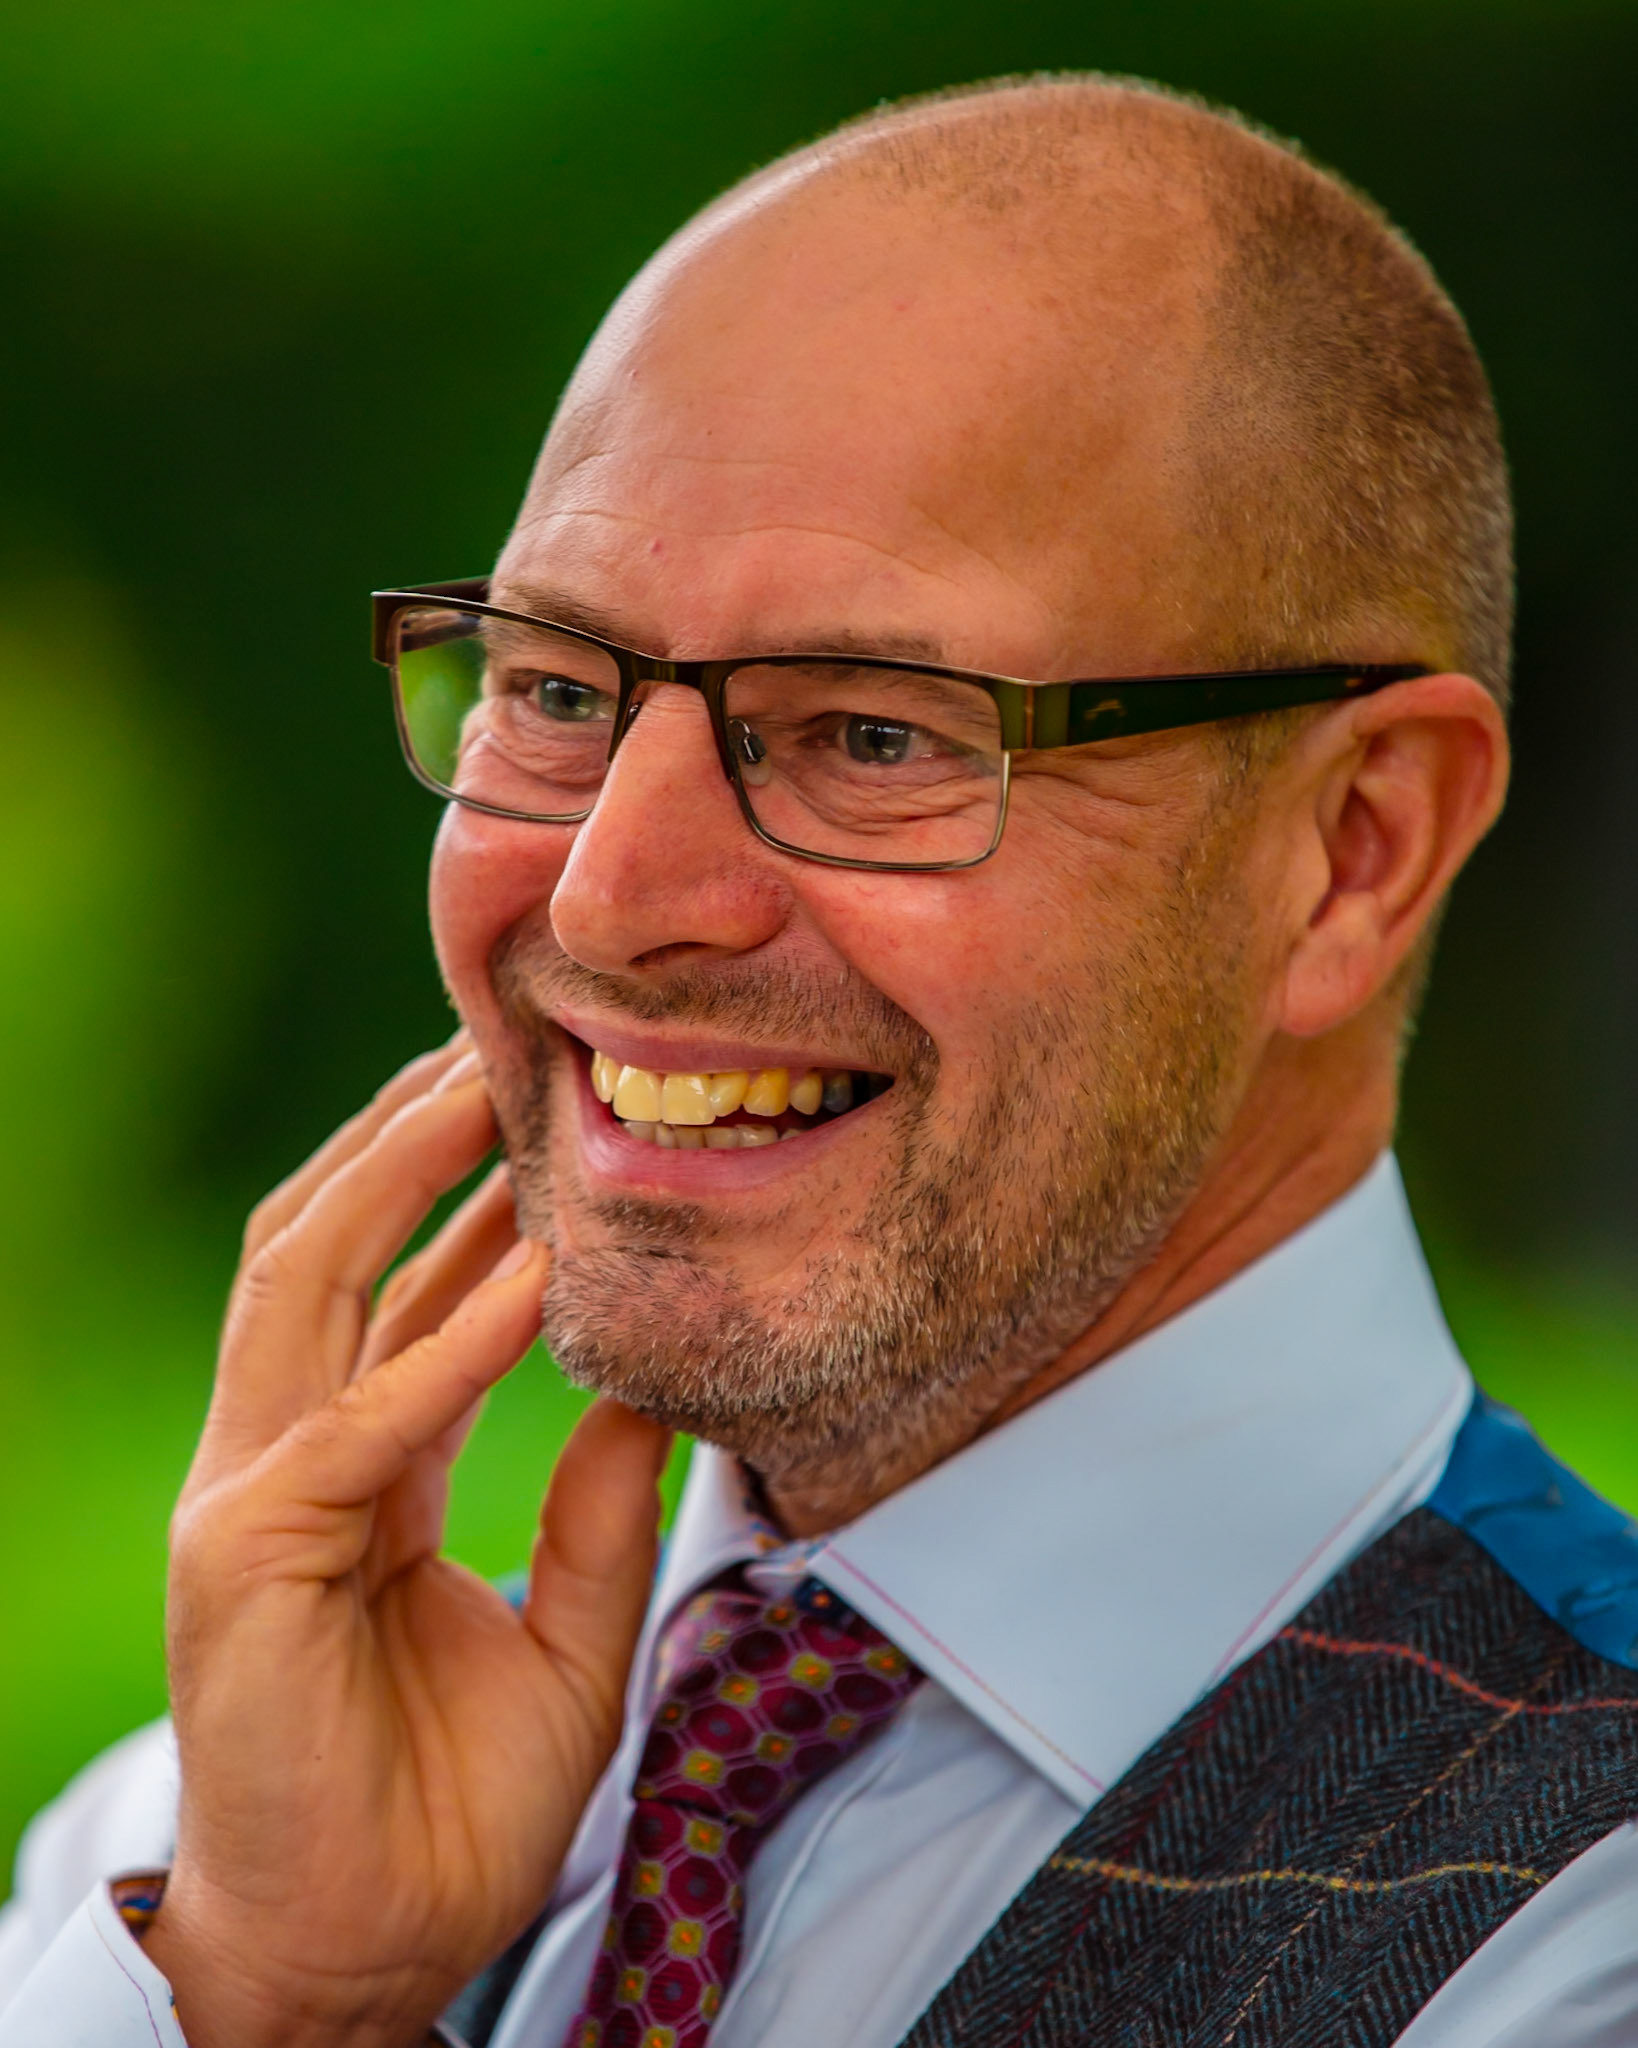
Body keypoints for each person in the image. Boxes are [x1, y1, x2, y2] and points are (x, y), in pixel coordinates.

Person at [2, 70, 1634, 2048]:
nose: (612, 900)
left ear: (1350, 853)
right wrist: (272, 2002)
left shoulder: (1583, 1924)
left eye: (877, 729)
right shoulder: (187, 1859)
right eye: (553, 687)